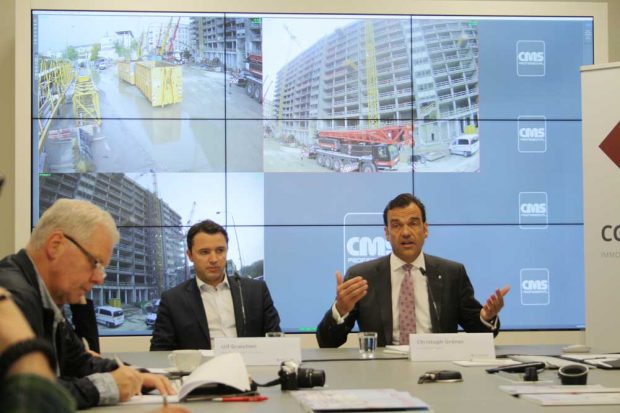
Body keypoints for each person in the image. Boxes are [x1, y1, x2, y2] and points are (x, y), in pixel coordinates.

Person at [0, 198, 176, 409]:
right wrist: (106, 386)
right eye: (95, 263)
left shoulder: (44, 296)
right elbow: (26, 393)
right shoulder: (12, 296)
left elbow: (79, 361)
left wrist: (136, 375)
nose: (99, 279)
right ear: (55, 245)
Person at [316, 193, 510, 348]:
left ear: (425, 229)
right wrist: (340, 310)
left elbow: (479, 332)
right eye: (396, 225)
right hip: (382, 373)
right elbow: (327, 342)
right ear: (386, 233)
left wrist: (486, 317)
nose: (406, 232)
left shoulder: (452, 273)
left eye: (413, 223)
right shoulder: (363, 277)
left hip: (439, 369)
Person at [150, 219, 281, 350]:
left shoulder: (256, 291)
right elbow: (159, 351)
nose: (214, 259)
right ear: (190, 255)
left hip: (248, 362)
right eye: (204, 252)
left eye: (220, 250)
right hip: (200, 364)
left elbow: (276, 340)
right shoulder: (172, 300)